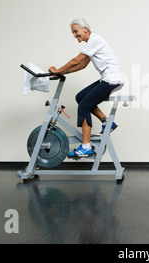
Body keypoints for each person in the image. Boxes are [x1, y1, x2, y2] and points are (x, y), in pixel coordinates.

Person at [49, 18, 124, 158]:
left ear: (85, 29)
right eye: (73, 33)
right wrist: (62, 73)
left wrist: (57, 70)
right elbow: (82, 65)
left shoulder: (94, 40)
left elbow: (76, 60)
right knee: (80, 97)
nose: (74, 35)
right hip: (110, 79)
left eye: (76, 31)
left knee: (83, 106)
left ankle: (85, 146)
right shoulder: (92, 43)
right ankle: (107, 122)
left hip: (112, 80)